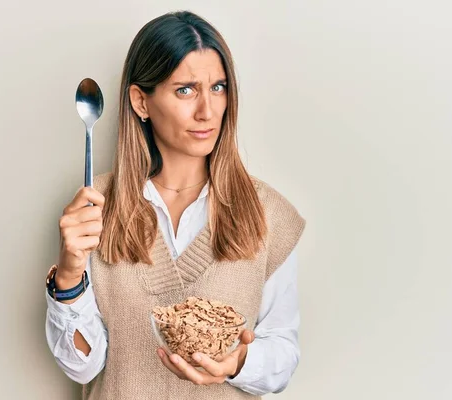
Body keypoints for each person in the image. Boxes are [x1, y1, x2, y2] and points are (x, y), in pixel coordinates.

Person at [45, 10, 306, 400]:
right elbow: (83, 365)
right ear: (141, 102)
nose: (207, 110)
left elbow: (282, 353)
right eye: (185, 89)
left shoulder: (267, 213)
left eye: (218, 88)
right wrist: (68, 273)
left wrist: (236, 362)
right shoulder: (95, 207)